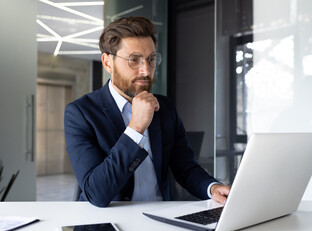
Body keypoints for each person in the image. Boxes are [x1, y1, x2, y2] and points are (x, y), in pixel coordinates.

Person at [64, 16, 230, 207]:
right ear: (108, 63)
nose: (146, 70)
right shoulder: (80, 113)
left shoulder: (165, 108)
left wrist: (212, 187)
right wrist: (136, 128)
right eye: (134, 60)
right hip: (107, 222)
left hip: (161, 217)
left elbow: (186, 168)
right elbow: (97, 193)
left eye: (151, 59)